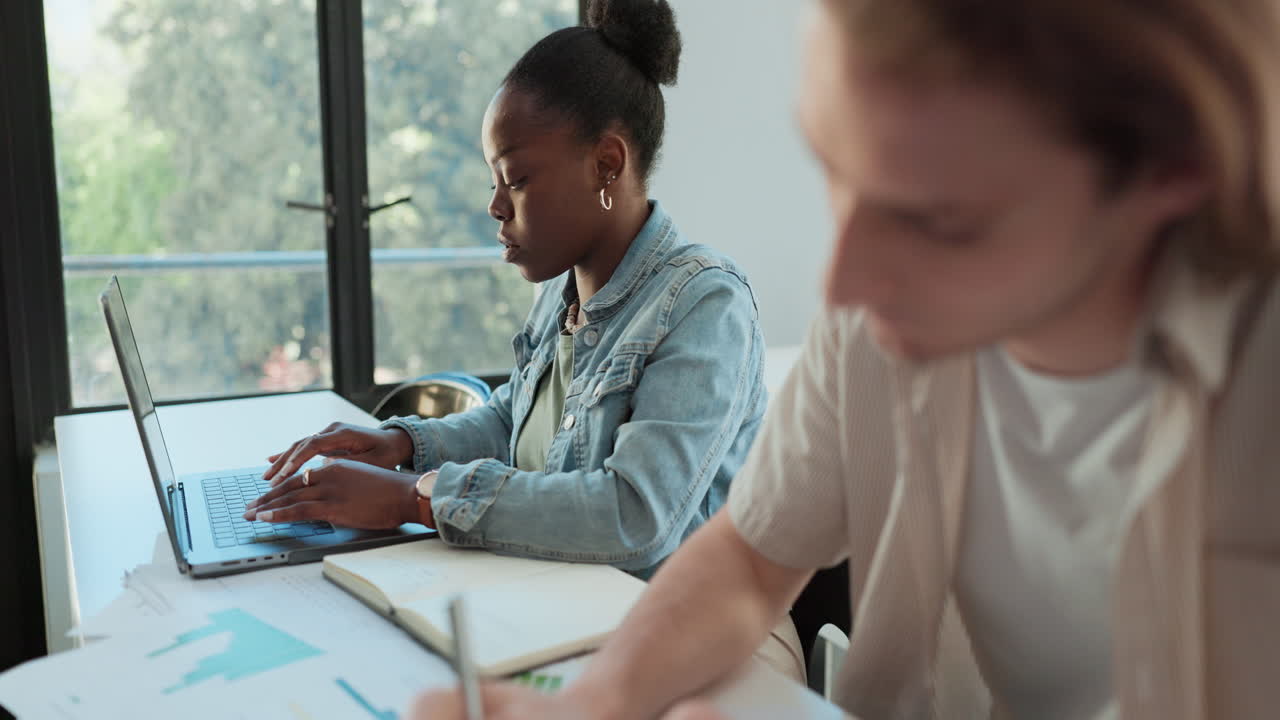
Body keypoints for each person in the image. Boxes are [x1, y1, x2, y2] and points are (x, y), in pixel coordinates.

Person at [414, 0, 1280, 717]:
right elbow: (751, 559)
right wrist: (588, 707)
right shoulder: (878, 319)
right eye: (832, 167)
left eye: (939, 219)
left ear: (1166, 181)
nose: (845, 282)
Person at [242, 0, 806, 684]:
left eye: (516, 179)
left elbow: (635, 516)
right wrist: (402, 446)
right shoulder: (562, 289)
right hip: (574, 615)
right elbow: (514, 419)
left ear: (607, 163)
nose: (495, 207)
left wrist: (413, 498)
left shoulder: (705, 303)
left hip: (705, 643)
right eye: (494, 181)